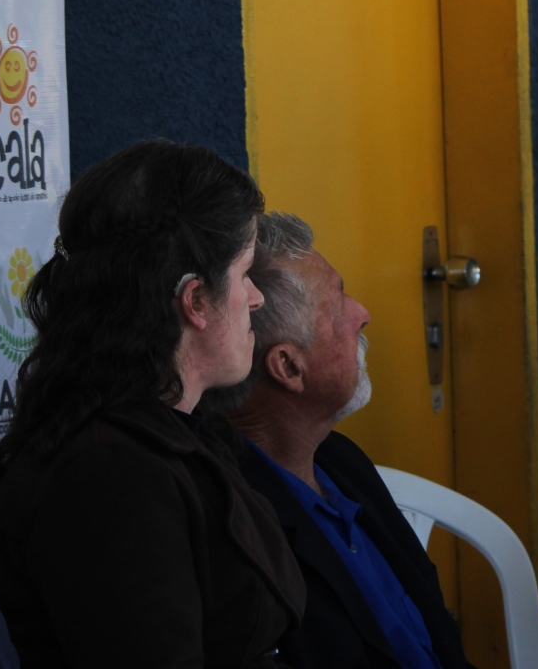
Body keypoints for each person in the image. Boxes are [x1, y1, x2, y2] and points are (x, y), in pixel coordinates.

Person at [0, 140, 305, 668]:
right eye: (245, 273)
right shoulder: (109, 479)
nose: (256, 297)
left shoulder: (162, 436)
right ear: (195, 300)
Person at [200, 213, 474, 669]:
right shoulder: (236, 524)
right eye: (337, 303)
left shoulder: (340, 461)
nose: (361, 313)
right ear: (288, 367)